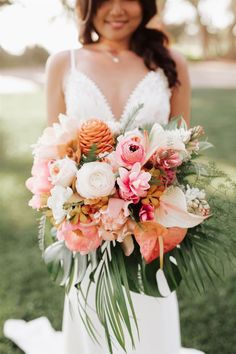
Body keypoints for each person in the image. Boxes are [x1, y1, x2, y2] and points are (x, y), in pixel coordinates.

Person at [3, 0, 205, 353]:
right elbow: (55, 148)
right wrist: (79, 204)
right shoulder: (64, 63)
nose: (117, 9)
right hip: (87, 224)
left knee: (149, 311)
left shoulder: (172, 63)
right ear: (88, 5)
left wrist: (149, 204)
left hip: (150, 222)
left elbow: (181, 147)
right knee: (94, 316)